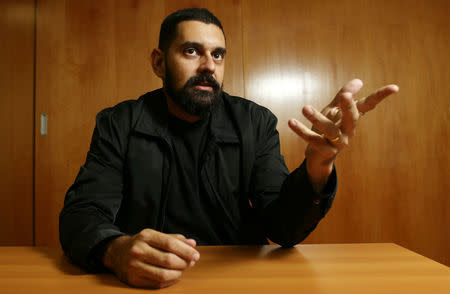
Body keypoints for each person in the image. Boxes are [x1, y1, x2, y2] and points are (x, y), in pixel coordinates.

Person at [59, 8, 399, 289]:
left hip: (239, 282)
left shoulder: (254, 122)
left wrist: (317, 166)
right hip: (147, 284)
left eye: (217, 54)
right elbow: (82, 214)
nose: (208, 65)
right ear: (159, 63)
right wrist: (115, 250)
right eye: (192, 51)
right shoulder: (119, 123)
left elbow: (283, 228)